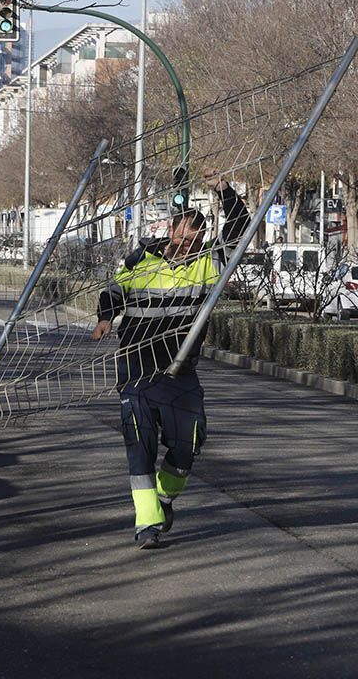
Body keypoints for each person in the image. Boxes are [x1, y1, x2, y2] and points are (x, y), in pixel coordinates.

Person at [92, 167, 251, 549]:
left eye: (195, 237)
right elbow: (113, 292)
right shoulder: (140, 261)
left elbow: (241, 226)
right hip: (136, 370)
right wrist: (104, 318)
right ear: (171, 230)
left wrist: (223, 189)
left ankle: (163, 499)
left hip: (179, 373)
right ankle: (146, 524)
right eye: (182, 234)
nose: (187, 242)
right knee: (140, 444)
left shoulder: (208, 265)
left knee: (188, 445)